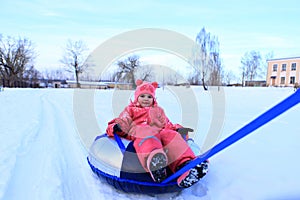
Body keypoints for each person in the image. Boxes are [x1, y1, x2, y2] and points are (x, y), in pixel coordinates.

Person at [106, 79, 208, 188]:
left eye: (149, 97)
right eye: (142, 96)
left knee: (171, 135)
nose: (146, 99)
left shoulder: (158, 111)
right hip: (141, 132)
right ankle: (156, 164)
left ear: (154, 99)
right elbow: (122, 121)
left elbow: (167, 124)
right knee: (148, 132)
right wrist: (117, 127)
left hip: (160, 132)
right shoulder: (131, 110)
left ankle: (185, 166)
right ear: (136, 97)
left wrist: (178, 130)